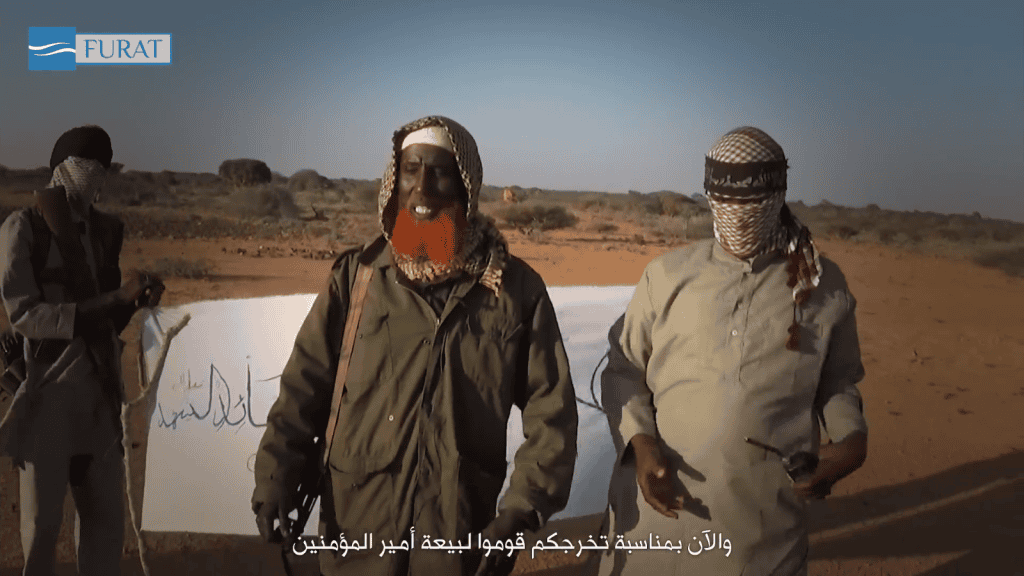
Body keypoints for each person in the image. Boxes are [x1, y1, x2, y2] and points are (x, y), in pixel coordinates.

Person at [252, 115, 578, 576]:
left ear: (466, 186)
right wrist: (276, 476)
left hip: (457, 531)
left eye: (440, 171)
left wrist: (522, 511)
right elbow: (304, 386)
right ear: (395, 178)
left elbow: (552, 415)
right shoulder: (358, 277)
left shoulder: (514, 290)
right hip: (357, 524)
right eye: (411, 169)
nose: (422, 187)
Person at [596, 127, 869, 575]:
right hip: (652, 520)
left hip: (761, 531)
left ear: (780, 194)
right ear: (708, 196)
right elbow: (624, 369)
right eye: (727, 202)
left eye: (754, 203)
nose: (740, 217)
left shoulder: (820, 285)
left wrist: (851, 444)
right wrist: (642, 446)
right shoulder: (666, 276)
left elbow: (838, 382)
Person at [0, 124, 165, 576]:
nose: (96, 176)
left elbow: (104, 325)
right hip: (46, 400)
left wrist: (133, 302)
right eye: (86, 166)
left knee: (105, 533)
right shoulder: (25, 227)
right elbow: (25, 316)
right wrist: (112, 298)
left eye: (103, 168)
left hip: (100, 402)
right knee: (41, 535)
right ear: (61, 168)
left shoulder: (107, 231)